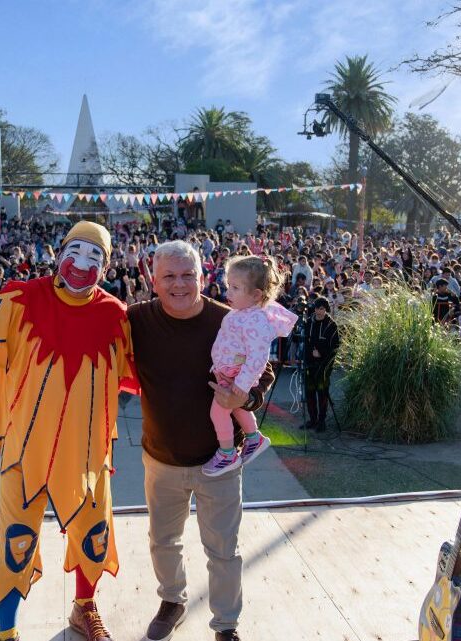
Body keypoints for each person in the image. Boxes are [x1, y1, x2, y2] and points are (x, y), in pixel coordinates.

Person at [0, 221, 135, 641]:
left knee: (94, 537)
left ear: (108, 265)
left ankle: (84, 608)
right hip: (24, 452)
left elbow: (152, 373)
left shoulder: (116, 315)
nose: (83, 264)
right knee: (16, 541)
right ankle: (6, 632)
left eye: (95, 256)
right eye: (76, 251)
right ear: (58, 253)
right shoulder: (20, 300)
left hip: (88, 454)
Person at [128, 240, 274, 641]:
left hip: (220, 460)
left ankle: (226, 625)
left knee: (224, 550)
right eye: (169, 276)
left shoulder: (232, 319)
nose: (180, 284)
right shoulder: (135, 320)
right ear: (153, 280)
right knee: (163, 542)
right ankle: (172, 601)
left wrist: (246, 397)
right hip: (161, 458)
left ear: (202, 275)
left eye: (188, 275)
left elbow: (264, 369)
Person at [205, 256, 296, 476]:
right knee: (236, 407)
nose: (228, 293)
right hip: (230, 373)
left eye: (235, 288)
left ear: (256, 295)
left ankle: (227, 453)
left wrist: (243, 385)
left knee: (218, 413)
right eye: (229, 286)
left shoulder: (256, 319)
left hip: (237, 376)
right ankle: (253, 438)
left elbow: (258, 356)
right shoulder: (242, 314)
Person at [301, 297, 339, 431]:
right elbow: (305, 341)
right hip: (310, 364)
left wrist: (321, 353)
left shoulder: (331, 325)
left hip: (324, 365)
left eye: (322, 308)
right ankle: (313, 419)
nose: (319, 311)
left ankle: (322, 421)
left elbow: (335, 346)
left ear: (326, 309)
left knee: (322, 393)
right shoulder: (309, 323)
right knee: (309, 392)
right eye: (317, 308)